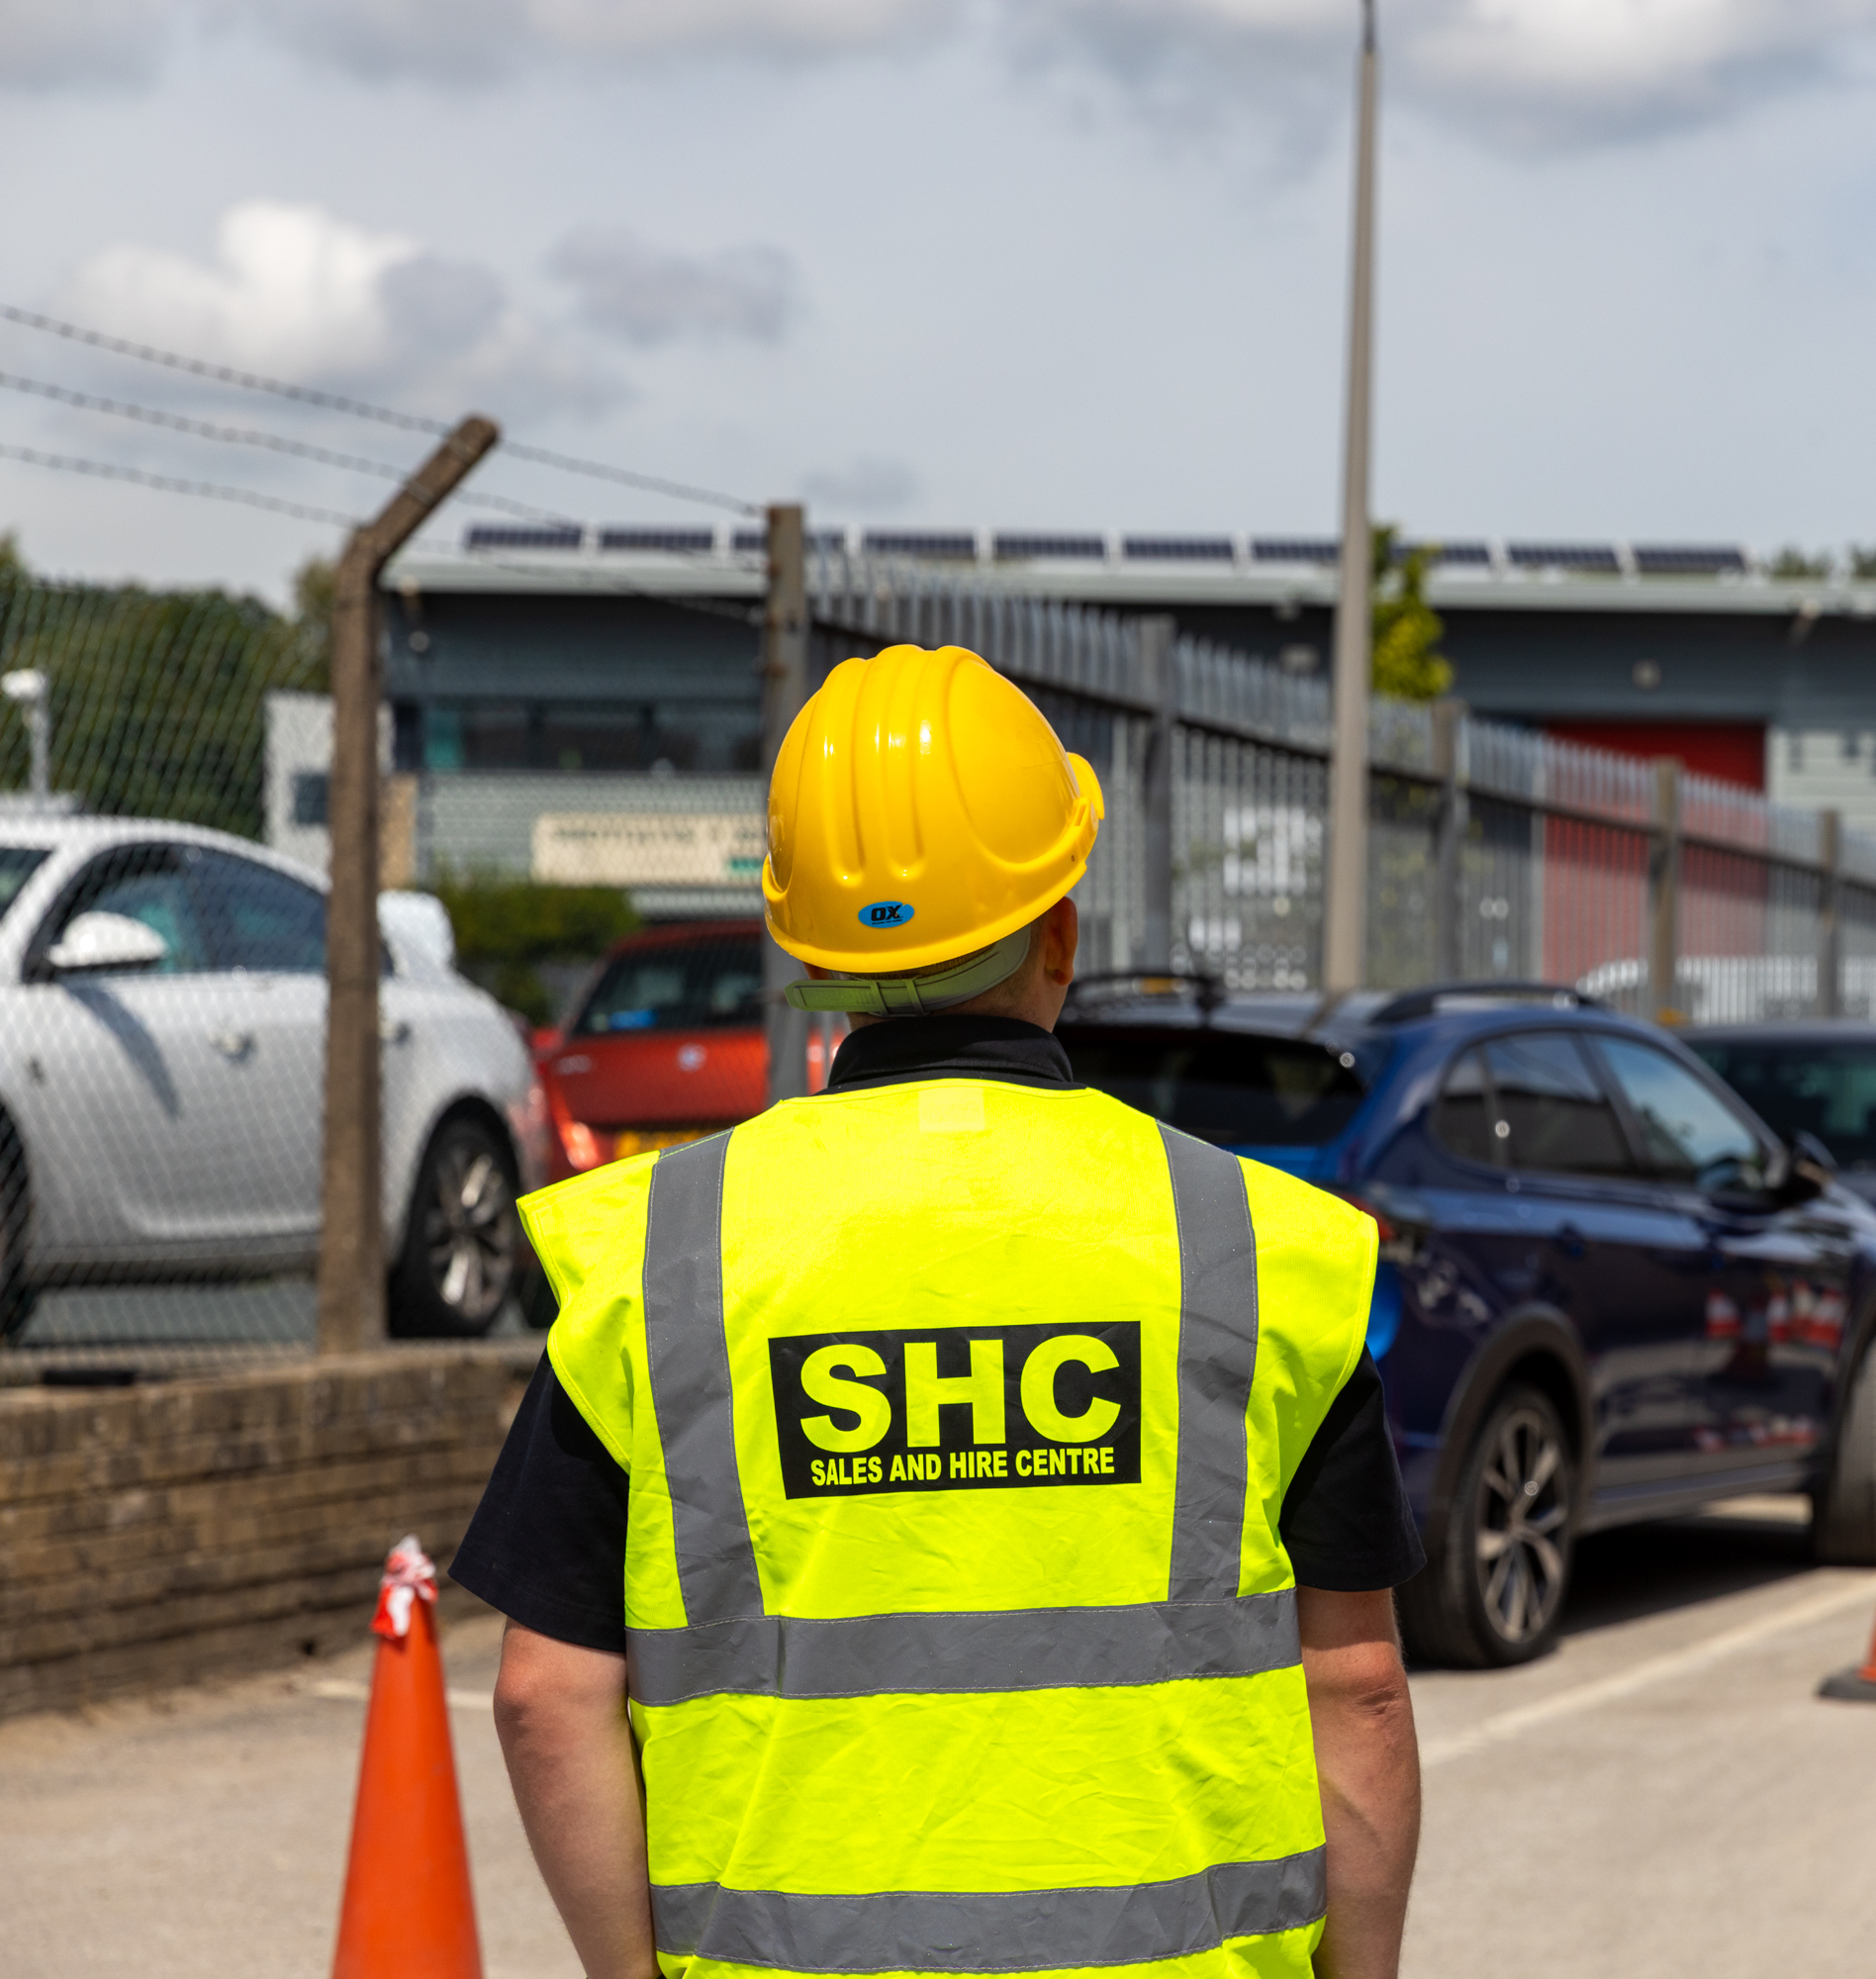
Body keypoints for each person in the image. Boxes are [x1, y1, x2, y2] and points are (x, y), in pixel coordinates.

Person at [454, 642, 1424, 1979]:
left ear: (809, 954)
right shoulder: (1255, 1251)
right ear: (1061, 933)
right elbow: (1355, 1688)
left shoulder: (662, 1253)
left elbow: (545, 1698)